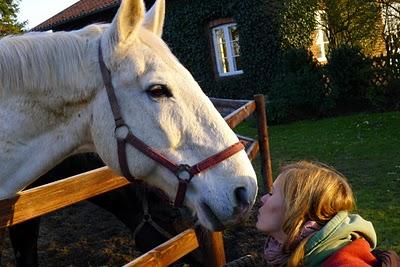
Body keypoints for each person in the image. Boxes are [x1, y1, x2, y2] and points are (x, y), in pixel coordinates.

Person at [256, 160, 399, 267]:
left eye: (271, 193)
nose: (262, 199)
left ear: (297, 208)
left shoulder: (344, 263)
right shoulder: (283, 254)